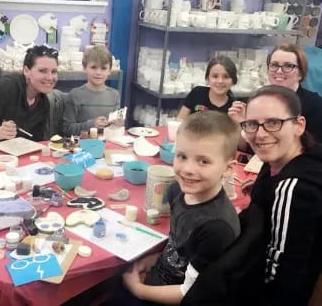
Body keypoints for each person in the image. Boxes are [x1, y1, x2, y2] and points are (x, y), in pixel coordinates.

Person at [119, 111, 241, 305]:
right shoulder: (177, 190)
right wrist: (150, 260)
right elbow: (178, 248)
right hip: (156, 278)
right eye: (182, 156)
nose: (187, 169)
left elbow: (191, 292)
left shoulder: (217, 228)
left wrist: (139, 290)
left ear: (227, 168)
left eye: (203, 161)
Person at [240, 85, 322, 304]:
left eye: (273, 123)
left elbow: (280, 276)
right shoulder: (284, 156)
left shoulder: (294, 187)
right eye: (252, 124)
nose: (260, 134)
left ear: (299, 125)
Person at [229, 43, 322, 143]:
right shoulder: (260, 102)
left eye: (288, 66)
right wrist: (243, 123)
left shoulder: (315, 105)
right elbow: (249, 148)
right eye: (274, 65)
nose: (279, 71)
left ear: (300, 73)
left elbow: (316, 150)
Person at [63, 46, 121, 136]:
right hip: (81, 145)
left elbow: (116, 126)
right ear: (84, 67)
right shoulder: (75, 95)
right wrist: (92, 125)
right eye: (93, 67)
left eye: (103, 68)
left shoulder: (114, 95)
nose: (98, 72)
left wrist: (118, 124)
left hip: (107, 143)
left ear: (110, 70)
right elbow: (67, 129)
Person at [176, 55, 237, 120]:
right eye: (215, 76)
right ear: (207, 79)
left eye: (226, 77)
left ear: (233, 81)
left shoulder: (234, 107)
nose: (220, 81)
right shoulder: (197, 93)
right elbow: (180, 120)